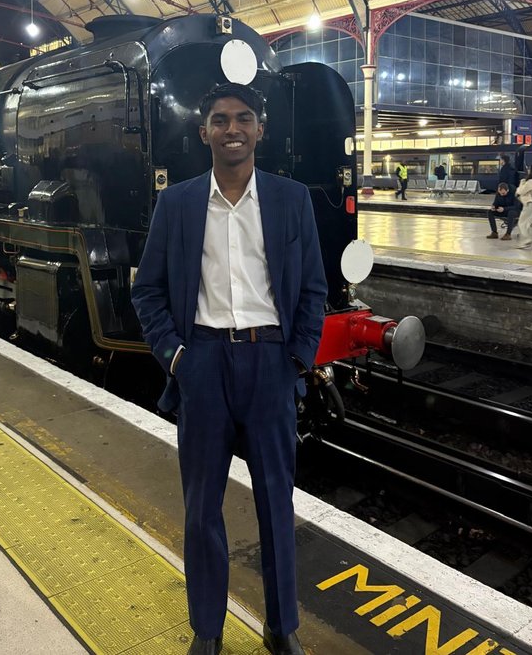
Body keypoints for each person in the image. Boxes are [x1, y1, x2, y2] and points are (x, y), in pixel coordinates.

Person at [131, 82, 326, 655]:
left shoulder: (292, 200)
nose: (232, 129)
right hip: (204, 362)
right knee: (201, 509)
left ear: (260, 130)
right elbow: (149, 293)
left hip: (270, 361)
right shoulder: (179, 203)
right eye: (220, 120)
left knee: (276, 502)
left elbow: (314, 288)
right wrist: (177, 357)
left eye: (244, 119)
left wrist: (296, 359)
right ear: (204, 132)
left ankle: (281, 626)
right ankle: (207, 630)